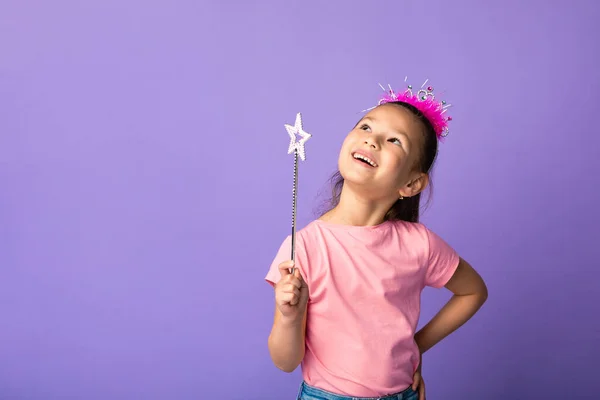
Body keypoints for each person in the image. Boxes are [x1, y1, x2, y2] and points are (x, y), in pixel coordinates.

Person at [265, 81, 488, 400]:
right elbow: (285, 361)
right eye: (366, 126)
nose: (373, 139)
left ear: (412, 183)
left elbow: (473, 291)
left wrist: (416, 347)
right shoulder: (306, 247)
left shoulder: (419, 244)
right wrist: (289, 316)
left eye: (394, 140)